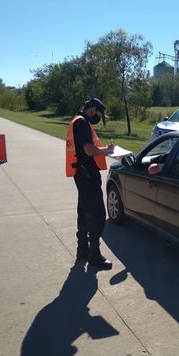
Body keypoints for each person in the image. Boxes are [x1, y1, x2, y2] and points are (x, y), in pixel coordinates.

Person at [66, 98, 114, 269]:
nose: (100, 118)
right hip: (87, 174)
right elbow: (88, 149)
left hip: (82, 173)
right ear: (93, 110)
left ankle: (82, 250)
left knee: (84, 209)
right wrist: (107, 151)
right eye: (100, 115)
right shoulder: (82, 123)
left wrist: (102, 150)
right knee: (97, 214)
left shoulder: (78, 121)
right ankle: (94, 255)